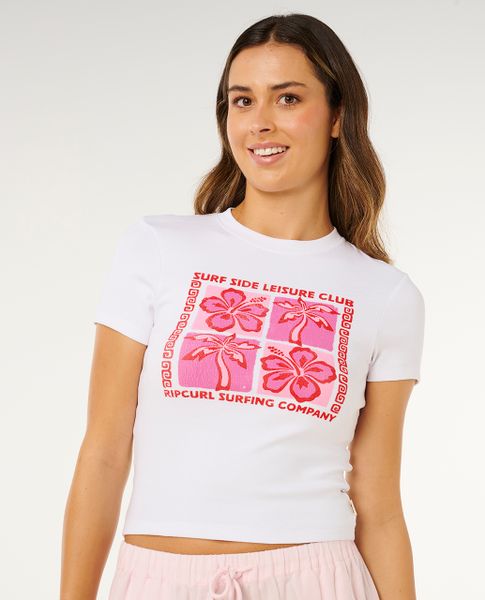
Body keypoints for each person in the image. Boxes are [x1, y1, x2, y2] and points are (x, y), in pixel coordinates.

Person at [60, 12, 425, 600]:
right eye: (242, 101)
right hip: (159, 580)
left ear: (338, 116)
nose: (260, 122)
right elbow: (103, 453)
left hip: (315, 580)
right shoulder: (157, 247)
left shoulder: (386, 294)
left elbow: (379, 505)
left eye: (288, 98)